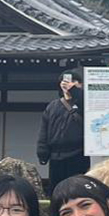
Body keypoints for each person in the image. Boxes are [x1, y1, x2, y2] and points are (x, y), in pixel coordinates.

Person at [38, 67, 87, 197]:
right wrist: (42, 152)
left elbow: (84, 102)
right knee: (57, 192)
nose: (69, 83)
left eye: (74, 81)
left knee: (77, 191)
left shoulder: (85, 102)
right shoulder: (53, 105)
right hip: (56, 156)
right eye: (65, 81)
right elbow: (44, 130)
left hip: (78, 154)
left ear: (80, 84)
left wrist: (74, 90)